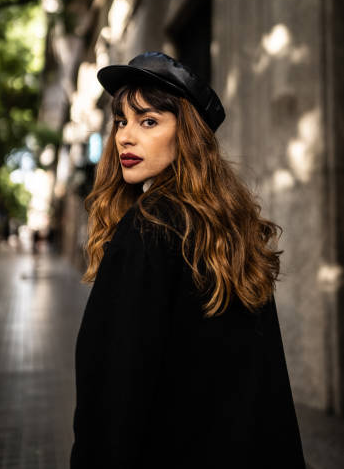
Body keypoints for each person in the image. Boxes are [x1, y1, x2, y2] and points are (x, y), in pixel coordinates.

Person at [69, 51, 306, 468]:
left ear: (188, 135)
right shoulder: (233, 228)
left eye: (148, 122)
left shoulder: (148, 229)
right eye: (121, 121)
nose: (124, 137)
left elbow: (111, 389)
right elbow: (268, 389)